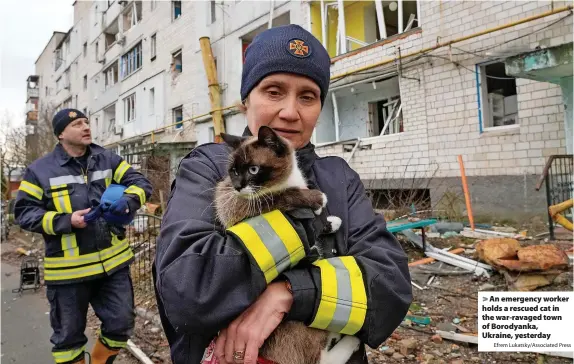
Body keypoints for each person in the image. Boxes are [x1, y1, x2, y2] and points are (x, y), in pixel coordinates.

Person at [153, 24, 412, 364]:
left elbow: (390, 284)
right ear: (246, 100)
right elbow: (187, 287)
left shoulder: (339, 177)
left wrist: (291, 292)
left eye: (307, 96)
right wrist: (299, 221)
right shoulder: (209, 166)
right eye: (274, 91)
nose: (291, 112)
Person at [14, 108, 153, 364]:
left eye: (86, 122)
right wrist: (66, 220)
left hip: (113, 267)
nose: (86, 126)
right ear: (61, 134)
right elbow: (23, 213)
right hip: (68, 273)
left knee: (121, 324)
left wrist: (129, 200)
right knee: (68, 340)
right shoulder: (39, 171)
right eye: (77, 124)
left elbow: (140, 182)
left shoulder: (107, 158)